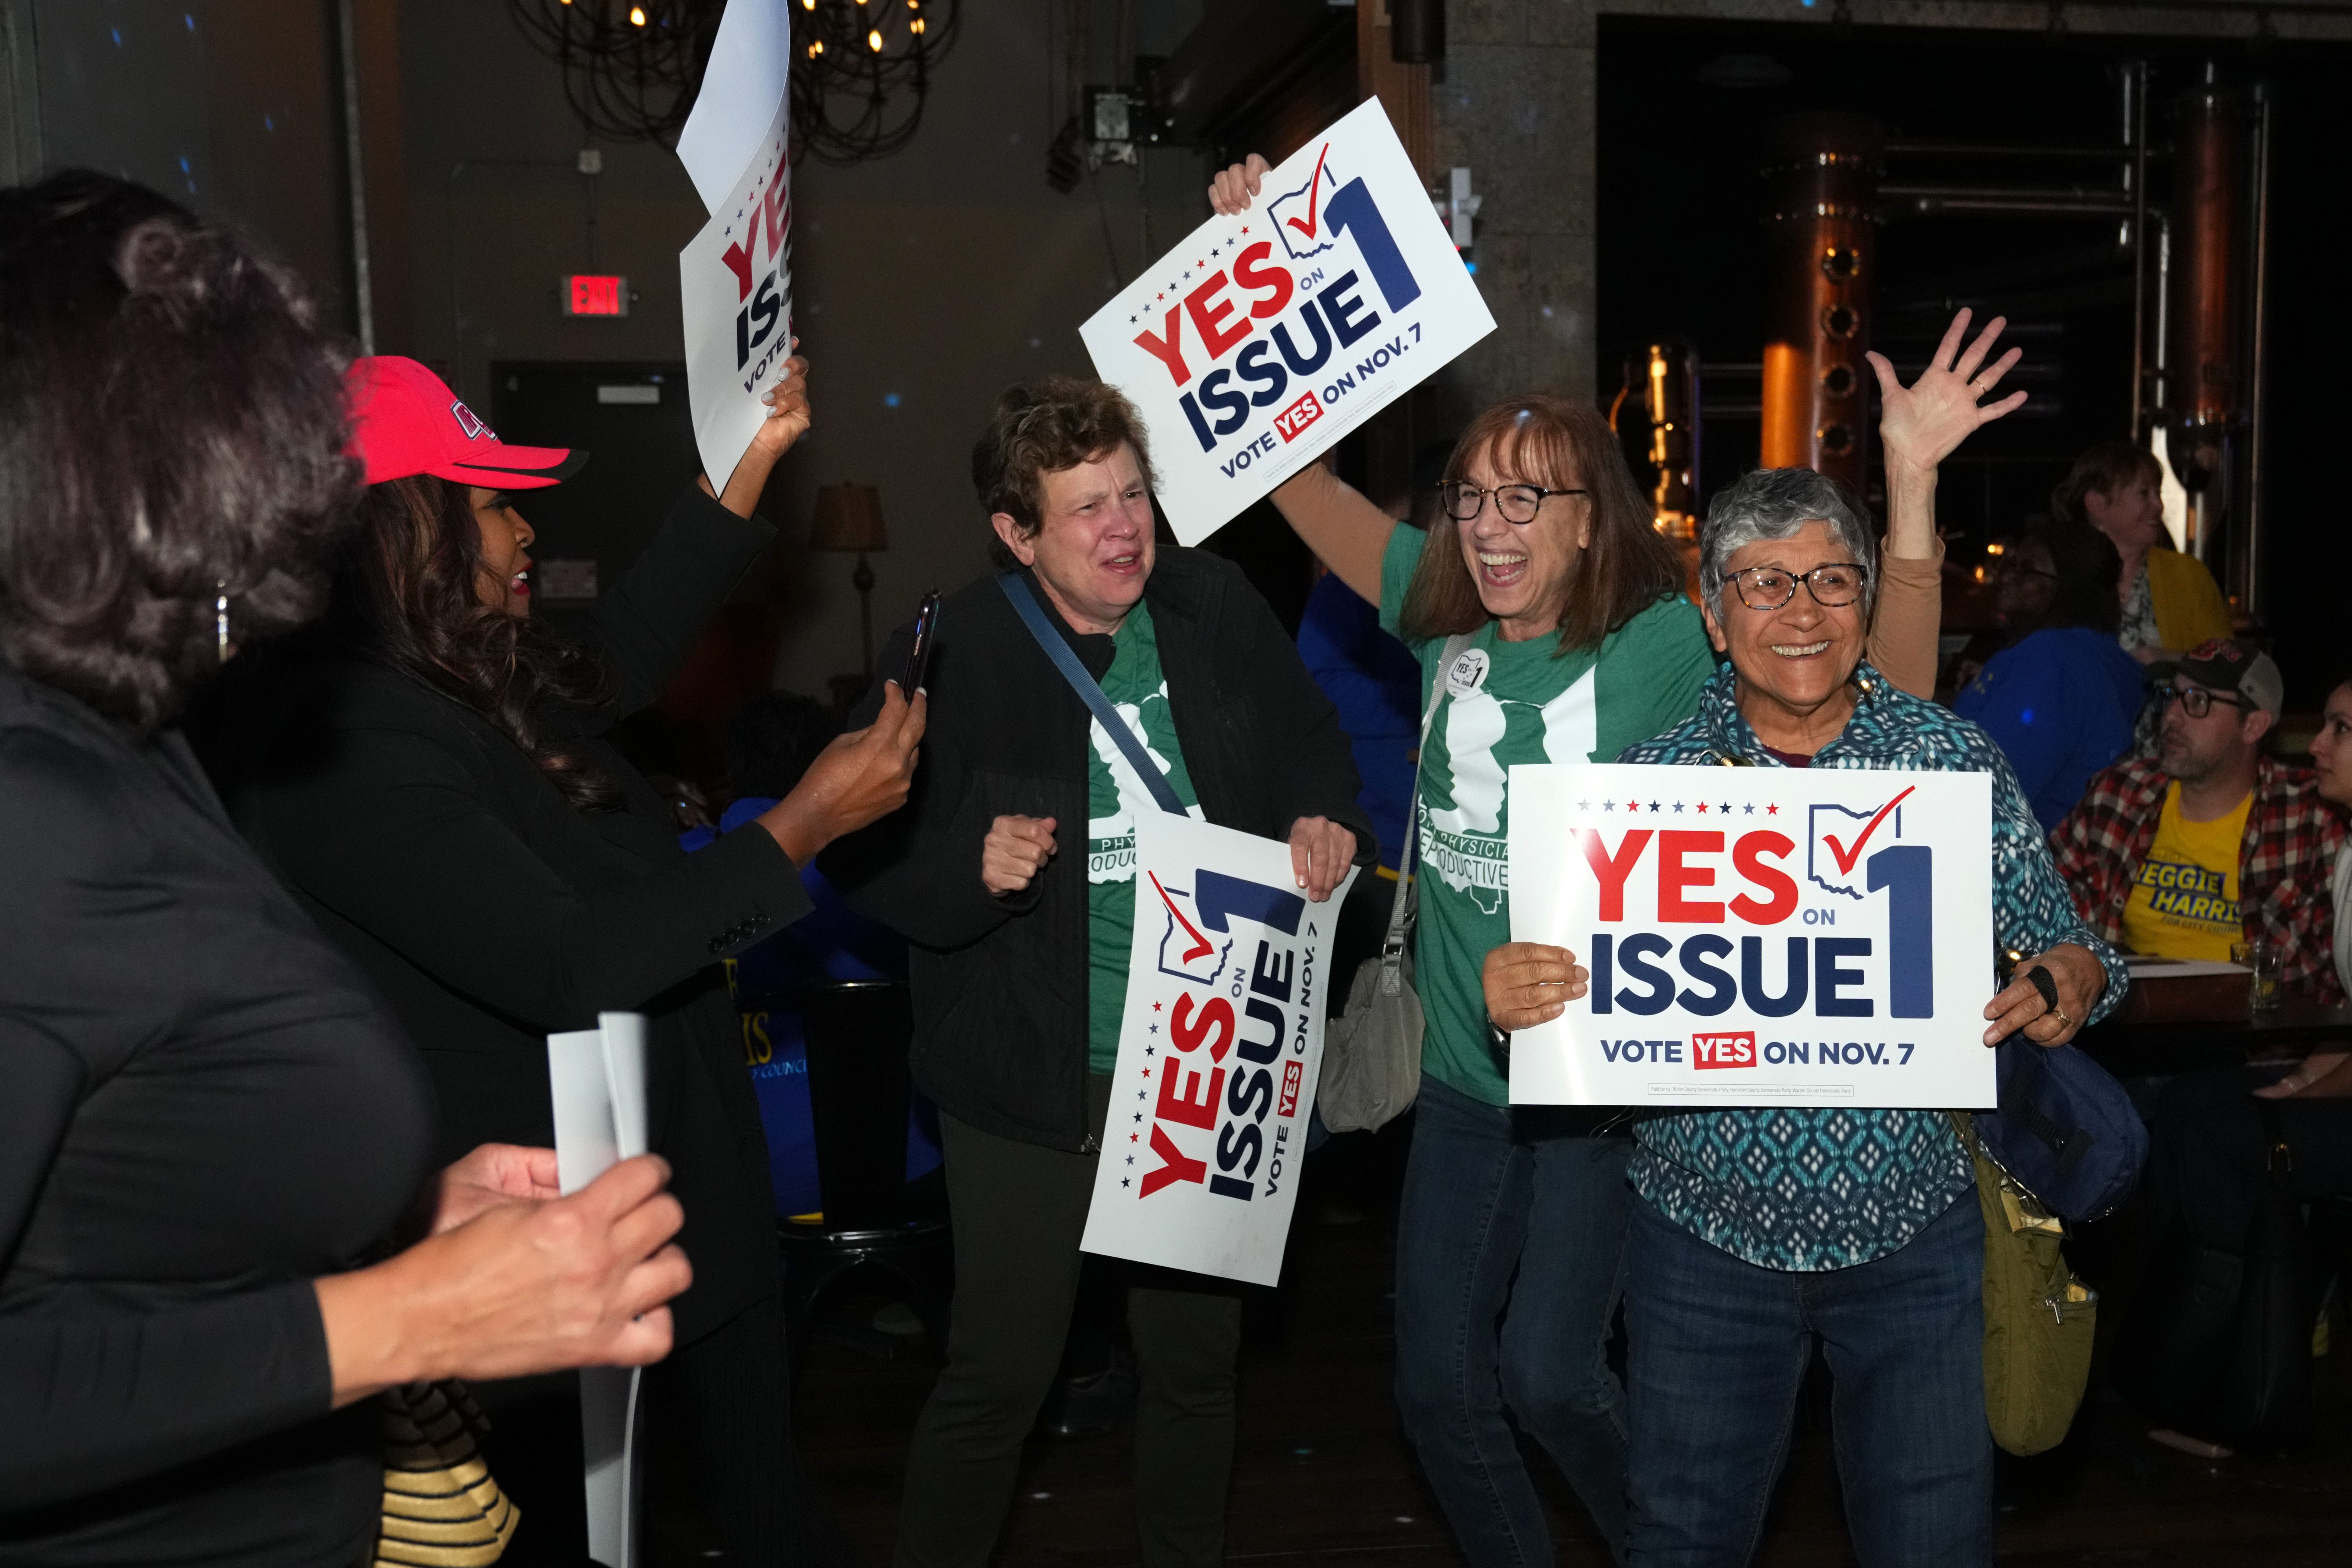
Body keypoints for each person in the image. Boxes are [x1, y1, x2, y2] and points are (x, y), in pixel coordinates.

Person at [1209, 154, 2020, 1564]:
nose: (1494, 524)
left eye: (1530, 499)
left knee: (1544, 1373)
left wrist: (1907, 493)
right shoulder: (1439, 613)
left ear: (1591, 515)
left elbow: (1872, 697)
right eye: (1472, 497)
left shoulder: (1656, 645)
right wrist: (1262, 264)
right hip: (1465, 1078)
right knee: (1435, 1387)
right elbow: (1297, 479)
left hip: (1602, 1084)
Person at [0, 172, 688, 1562]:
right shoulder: (31, 810)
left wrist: (398, 1206)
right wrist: (415, 1315)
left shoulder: (130, 736)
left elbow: (100, 1221)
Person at [208, 352, 924, 1563]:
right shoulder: (348, 742)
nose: (525, 527)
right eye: (492, 504)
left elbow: (624, 655)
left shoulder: (462, 670)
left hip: (677, 1164)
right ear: (400, 534)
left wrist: (746, 462)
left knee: (762, 1500)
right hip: (536, 1219)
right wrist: (801, 827)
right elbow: (568, 963)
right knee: (591, 1528)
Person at [1483, 466, 2126, 1566]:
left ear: (1866, 600)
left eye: (1831, 578)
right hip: (1700, 1245)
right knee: (1684, 1543)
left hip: (1918, 1240)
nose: (1802, 610)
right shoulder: (1641, 790)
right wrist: (1517, 1008)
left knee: (1932, 1546)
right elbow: (1577, 1015)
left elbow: (2076, 947)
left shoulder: (1947, 761)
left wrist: (2072, 975)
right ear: (1714, 617)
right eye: (1765, 584)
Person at [821, 375, 1372, 1568]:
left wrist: (1323, 812)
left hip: (1202, 1061)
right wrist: (967, 862)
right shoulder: (953, 648)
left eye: (1132, 493)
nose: (1123, 525)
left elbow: (1308, 739)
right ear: (1016, 534)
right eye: (1085, 509)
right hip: (1033, 1081)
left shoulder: (1212, 601)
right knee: (997, 1381)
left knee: (1193, 1371)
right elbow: (855, 841)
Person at [2049, 639, 2345, 1002]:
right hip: (2122, 1025)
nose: (2171, 716)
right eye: (2172, 696)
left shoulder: (2309, 819)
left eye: (2197, 702)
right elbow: (2044, 903)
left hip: (2252, 1043)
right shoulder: (2120, 794)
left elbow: (2332, 983)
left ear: (2253, 725)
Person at [1953, 518, 2144, 830]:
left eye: (2026, 569)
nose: (2006, 576)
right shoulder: (2092, 655)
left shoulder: (2051, 661)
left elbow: (1984, 793)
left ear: (2070, 588)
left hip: (2014, 864)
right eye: (2010, 563)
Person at [2051, 439, 2231, 666]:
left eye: (2158, 493)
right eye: (2144, 494)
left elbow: (2229, 665)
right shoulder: (2061, 576)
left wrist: (2166, 659)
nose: (2159, 506)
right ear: (2097, 505)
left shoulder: (2186, 575)